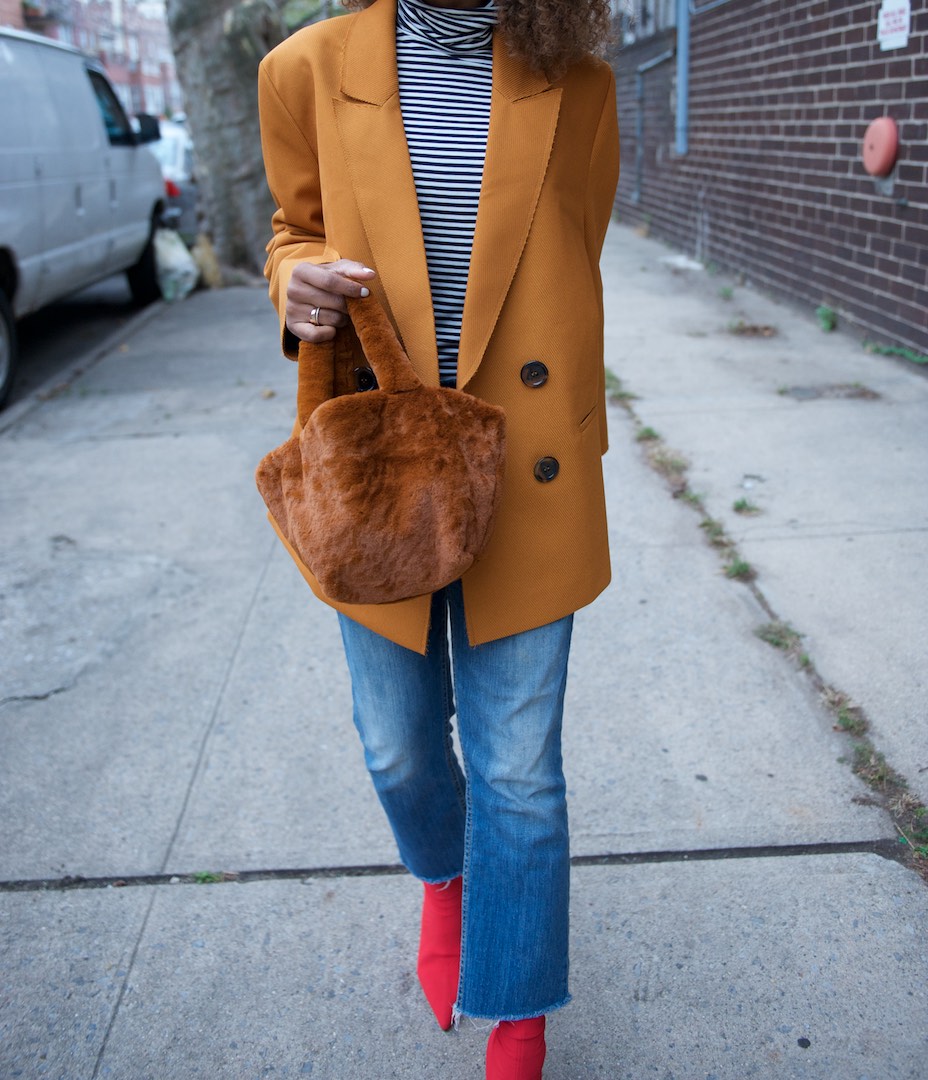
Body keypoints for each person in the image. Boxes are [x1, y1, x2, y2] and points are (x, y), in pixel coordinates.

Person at [258, 0, 618, 1075]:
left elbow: (574, 253)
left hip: (527, 462)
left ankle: (516, 1008)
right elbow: (292, 231)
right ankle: (448, 882)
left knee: (516, 768)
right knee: (399, 746)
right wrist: (295, 285)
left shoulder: (580, 82)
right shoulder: (304, 68)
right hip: (381, 466)